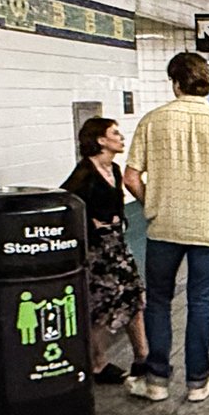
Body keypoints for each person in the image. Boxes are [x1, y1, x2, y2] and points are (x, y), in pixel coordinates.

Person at [126, 52, 209, 402]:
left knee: (158, 302)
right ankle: (198, 382)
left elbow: (131, 178)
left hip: (163, 228)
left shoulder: (152, 121)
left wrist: (152, 205)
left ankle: (156, 381)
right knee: (200, 303)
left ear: (176, 83)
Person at [63, 114, 147, 382]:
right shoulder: (84, 174)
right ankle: (97, 363)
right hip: (97, 252)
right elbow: (66, 204)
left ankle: (142, 357)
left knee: (134, 297)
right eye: (115, 134)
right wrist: (91, 224)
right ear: (101, 140)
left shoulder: (116, 170)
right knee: (101, 307)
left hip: (117, 245)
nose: (121, 138)